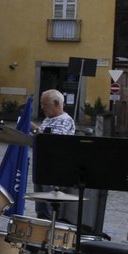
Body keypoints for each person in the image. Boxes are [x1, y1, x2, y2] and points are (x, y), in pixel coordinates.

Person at [32, 88, 77, 219]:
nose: (42, 108)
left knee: (49, 207)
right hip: (41, 167)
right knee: (40, 206)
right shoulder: (48, 119)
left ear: (57, 104)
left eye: (45, 104)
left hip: (53, 171)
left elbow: (54, 141)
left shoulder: (65, 120)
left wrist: (35, 128)